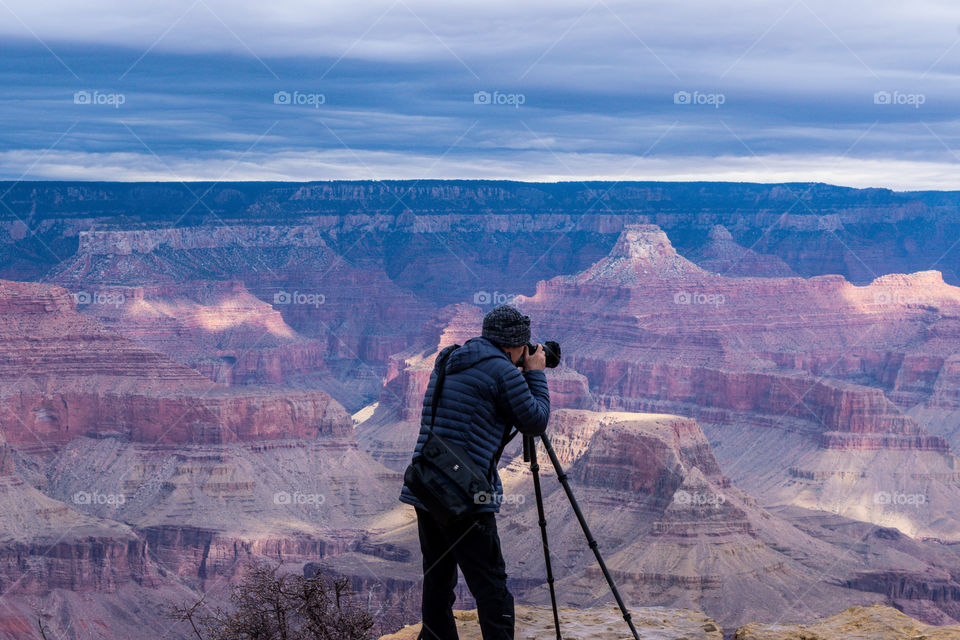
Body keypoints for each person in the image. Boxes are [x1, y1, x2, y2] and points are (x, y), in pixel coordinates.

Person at [400, 305, 551, 640]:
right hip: (465, 494)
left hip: (426, 484)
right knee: (490, 583)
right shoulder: (502, 371)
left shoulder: (449, 358)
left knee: (438, 578)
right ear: (514, 346)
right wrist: (536, 373)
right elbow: (535, 421)